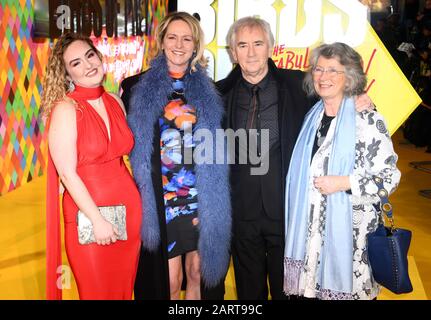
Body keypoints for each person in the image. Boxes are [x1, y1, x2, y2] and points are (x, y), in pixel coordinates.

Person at [216, 16, 373, 300]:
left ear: (271, 48)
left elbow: (336, 93)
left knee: (289, 289)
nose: (250, 52)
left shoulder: (298, 85)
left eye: (258, 44)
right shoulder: (218, 93)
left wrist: (359, 98)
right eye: (242, 45)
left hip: (289, 210)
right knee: (248, 290)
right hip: (240, 211)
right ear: (232, 52)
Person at [121, 12, 231, 300]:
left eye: (187, 38)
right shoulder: (135, 88)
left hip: (201, 198)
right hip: (161, 201)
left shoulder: (213, 91)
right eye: (172, 37)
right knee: (169, 281)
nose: (179, 45)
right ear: (162, 41)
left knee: (198, 273)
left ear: (196, 45)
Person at [283, 42, 401, 300]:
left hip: (350, 249)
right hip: (309, 248)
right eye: (318, 69)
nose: (323, 77)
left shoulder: (368, 121)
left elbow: (389, 179)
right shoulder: (312, 118)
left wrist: (345, 182)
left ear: (350, 77)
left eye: (333, 70)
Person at [42, 33, 142, 300]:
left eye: (89, 55)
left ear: (98, 56)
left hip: (129, 212)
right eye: (76, 63)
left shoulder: (115, 100)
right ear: (67, 74)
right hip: (88, 216)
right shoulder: (66, 109)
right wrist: (97, 220)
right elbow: (66, 173)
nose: (88, 65)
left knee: (123, 291)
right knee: (96, 291)